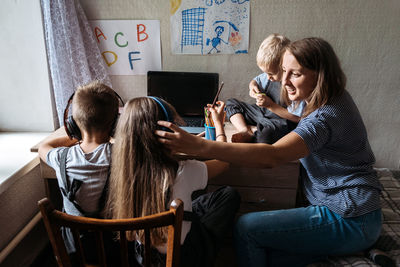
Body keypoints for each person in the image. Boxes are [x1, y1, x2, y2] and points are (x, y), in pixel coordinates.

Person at [156, 37, 382, 266]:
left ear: (320, 75)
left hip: (351, 217)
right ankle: (356, 249)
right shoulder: (334, 96)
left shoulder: (325, 117)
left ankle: (358, 244)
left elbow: (272, 156)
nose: (284, 81)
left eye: (296, 74)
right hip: (357, 212)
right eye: (283, 71)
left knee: (246, 228)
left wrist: (198, 145)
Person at [105, 97, 240, 267]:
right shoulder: (184, 170)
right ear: (167, 130)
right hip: (183, 258)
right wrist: (219, 125)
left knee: (193, 203)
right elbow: (224, 162)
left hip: (144, 258)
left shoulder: (123, 171)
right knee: (229, 195)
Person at [38, 81, 120, 258]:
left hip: (75, 251)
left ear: (73, 123)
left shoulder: (61, 157)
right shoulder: (121, 156)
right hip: (114, 250)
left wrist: (76, 135)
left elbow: (43, 146)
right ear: (114, 124)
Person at [226, 33, 305, 144]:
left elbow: (297, 118)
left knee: (265, 137)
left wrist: (271, 105)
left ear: (284, 67)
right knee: (231, 103)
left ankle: (255, 130)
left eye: (271, 73)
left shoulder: (293, 85)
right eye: (265, 73)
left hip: (280, 121)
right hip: (262, 113)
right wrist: (253, 89)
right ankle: (245, 130)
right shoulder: (268, 76)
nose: (268, 77)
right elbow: (255, 81)